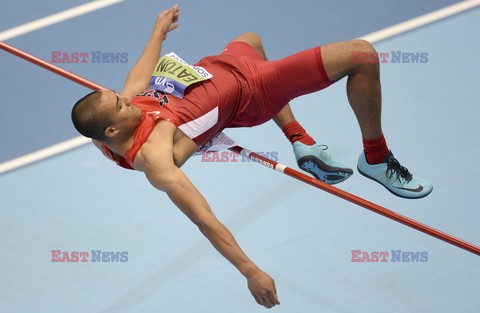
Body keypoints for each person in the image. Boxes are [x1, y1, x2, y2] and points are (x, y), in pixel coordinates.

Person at [71, 5, 432, 308]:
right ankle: (376, 158)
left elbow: (138, 77)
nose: (129, 99)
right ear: (114, 131)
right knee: (362, 55)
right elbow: (204, 219)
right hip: (253, 89)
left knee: (251, 39)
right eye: (120, 104)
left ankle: (299, 138)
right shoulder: (156, 157)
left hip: (220, 66)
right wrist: (250, 270)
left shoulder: (114, 127)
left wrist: (158, 32)